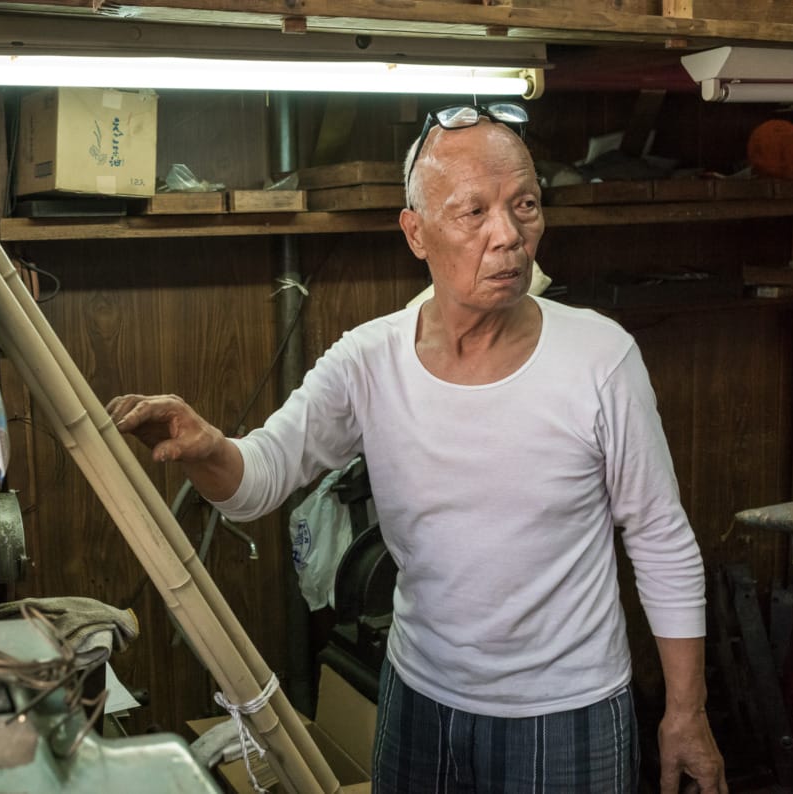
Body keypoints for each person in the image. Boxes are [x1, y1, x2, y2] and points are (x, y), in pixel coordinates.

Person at [106, 103, 726, 793]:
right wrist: (206, 446)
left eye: (524, 205)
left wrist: (685, 713)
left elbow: (662, 538)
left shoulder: (600, 359)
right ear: (416, 232)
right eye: (474, 212)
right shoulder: (371, 361)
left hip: (566, 711)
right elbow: (258, 480)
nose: (510, 236)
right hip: (420, 699)